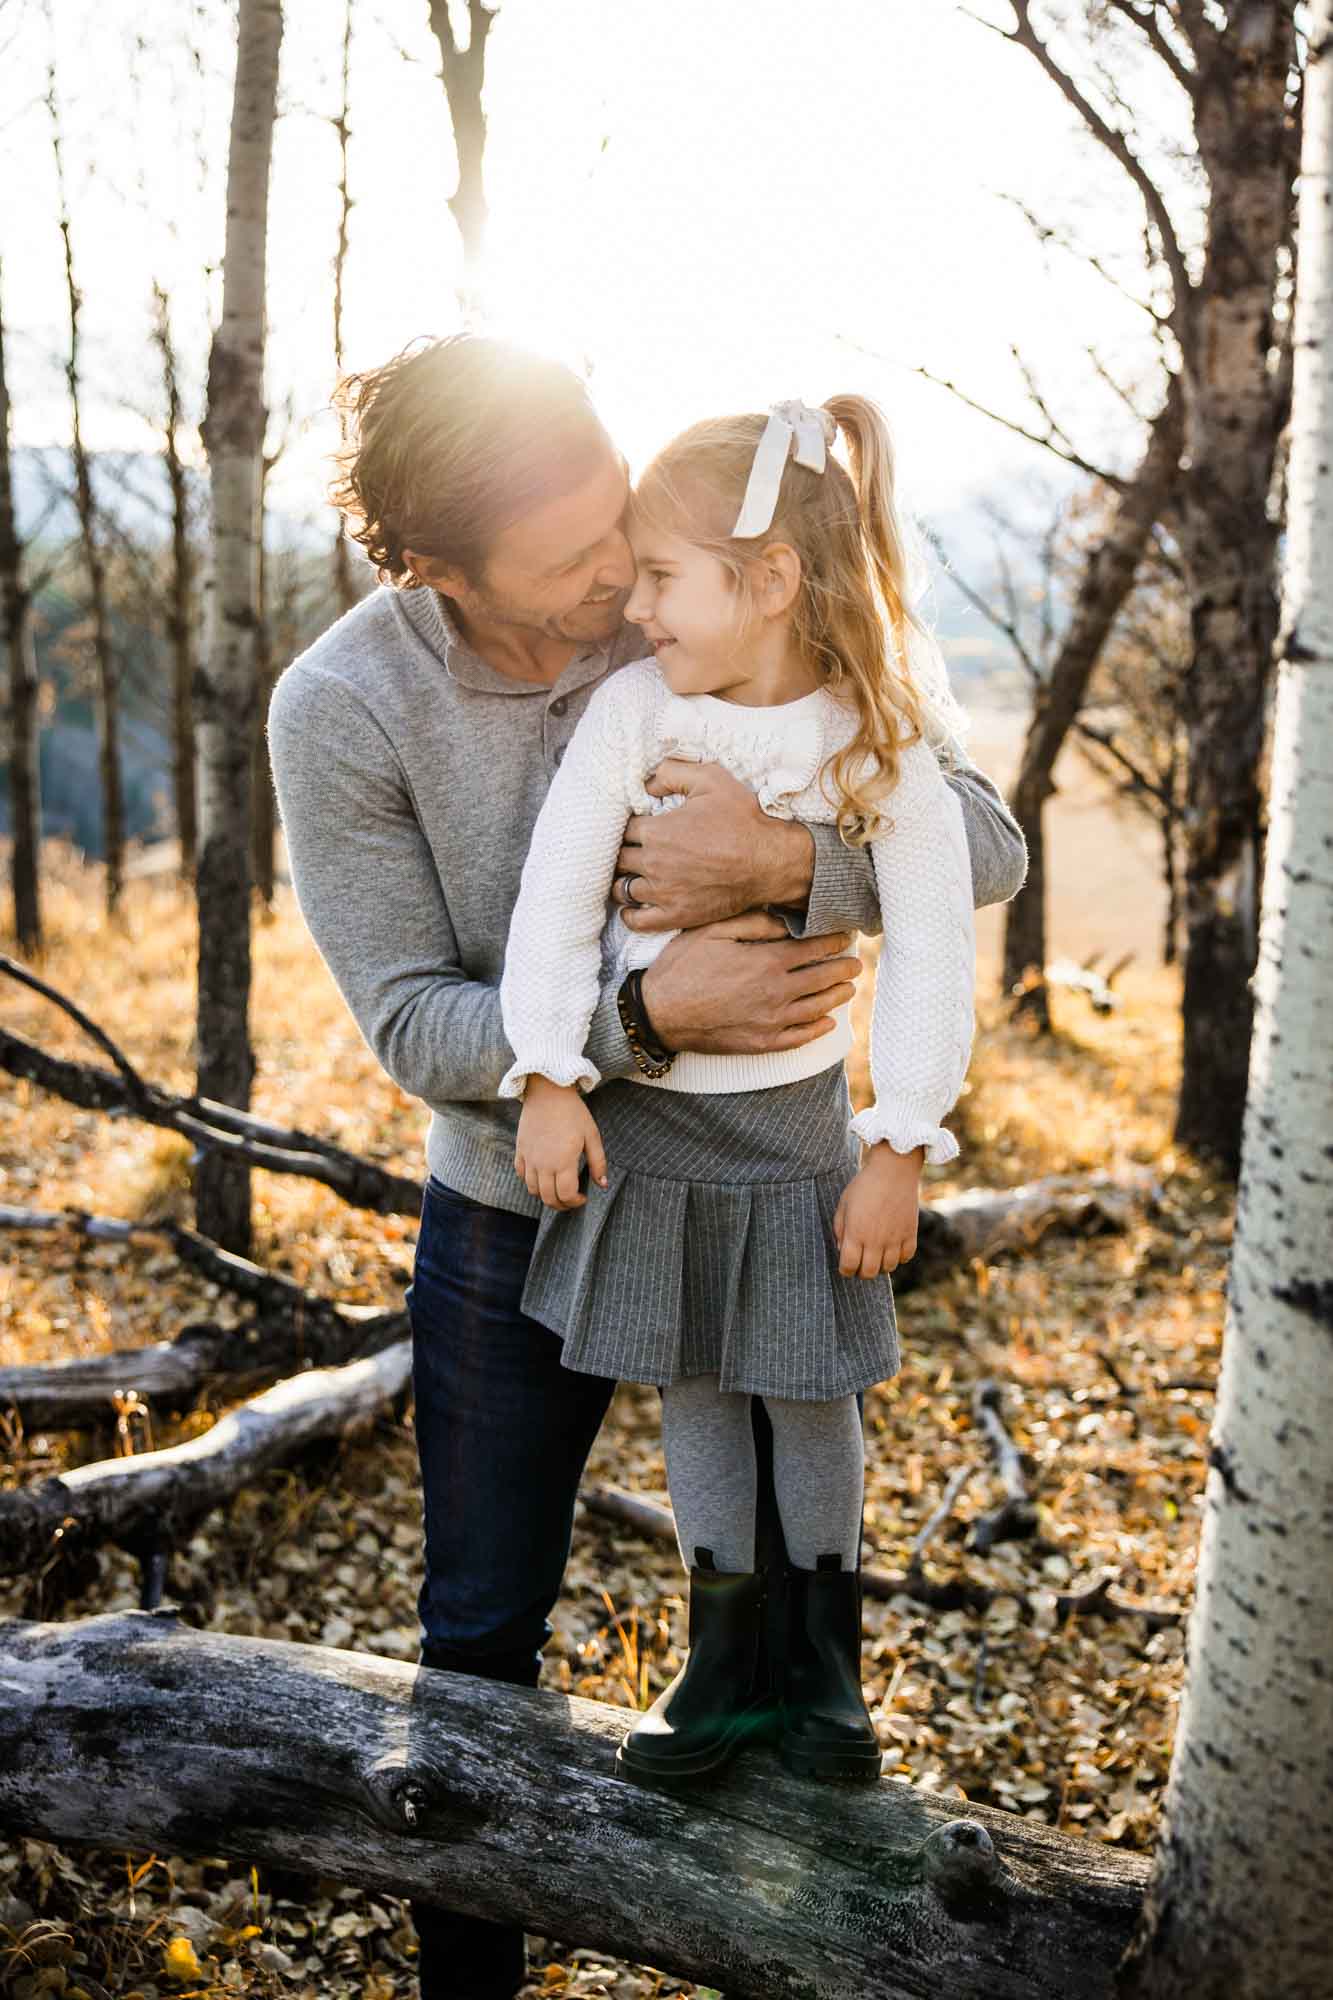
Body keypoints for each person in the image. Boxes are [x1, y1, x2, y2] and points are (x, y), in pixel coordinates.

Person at [267, 336, 1025, 2000]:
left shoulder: (713, 576)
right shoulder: (343, 707)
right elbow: (409, 1020)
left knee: (793, 1430)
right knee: (478, 1627)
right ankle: (469, 1973)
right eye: (566, 563)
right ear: (433, 564)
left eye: (620, 535)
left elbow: (977, 836)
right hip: (518, 1195)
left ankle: (807, 1784)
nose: (615, 581)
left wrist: (788, 860)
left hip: (771, 1157)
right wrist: (635, 1016)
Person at [499, 394, 975, 1792]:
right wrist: (546, 1071)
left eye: (660, 577)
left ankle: (821, 1674)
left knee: (810, 1393)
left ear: (765, 581)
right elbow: (554, 896)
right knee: (696, 1385)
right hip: (652, 1130)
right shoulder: (632, 712)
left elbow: (936, 946)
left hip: (796, 1135)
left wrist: (898, 1145)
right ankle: (722, 1663)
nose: (633, 607)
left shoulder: (872, 736)